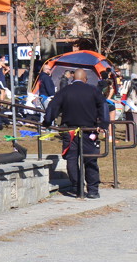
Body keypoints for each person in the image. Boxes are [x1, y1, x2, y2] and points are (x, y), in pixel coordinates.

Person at [42, 68, 106, 198]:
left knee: (71, 160)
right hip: (89, 131)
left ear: (73, 78)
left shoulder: (65, 91)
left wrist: (47, 121)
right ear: (85, 79)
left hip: (70, 131)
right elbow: (103, 106)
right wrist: (103, 124)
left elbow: (53, 106)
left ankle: (77, 188)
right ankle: (93, 190)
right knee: (90, 160)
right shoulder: (93, 90)